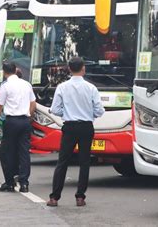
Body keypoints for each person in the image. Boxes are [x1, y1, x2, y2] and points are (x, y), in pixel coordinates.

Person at [46, 57, 105, 207]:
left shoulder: (62, 87)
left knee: (62, 162)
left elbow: (55, 109)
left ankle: (54, 197)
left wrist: (66, 113)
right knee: (84, 162)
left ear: (69, 69)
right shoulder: (91, 88)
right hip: (86, 127)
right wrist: (89, 114)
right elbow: (99, 110)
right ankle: (80, 197)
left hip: (70, 126)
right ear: (83, 69)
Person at [0, 62, 36, 193]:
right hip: (25, 121)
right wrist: (29, 117)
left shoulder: (5, 86)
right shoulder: (26, 84)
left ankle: (9, 182)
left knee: (5, 152)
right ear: (15, 70)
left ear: (4, 72)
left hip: (11, 121)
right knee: (24, 152)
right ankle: (24, 183)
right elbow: (33, 103)